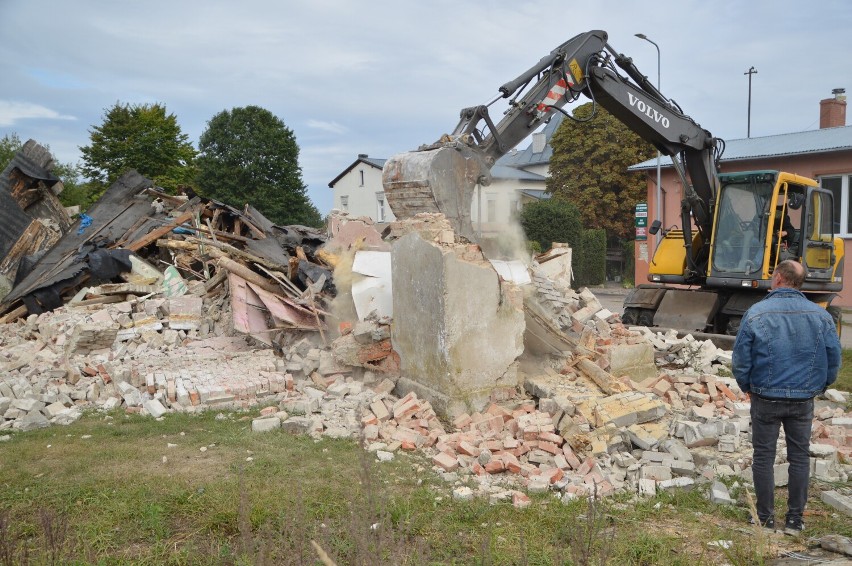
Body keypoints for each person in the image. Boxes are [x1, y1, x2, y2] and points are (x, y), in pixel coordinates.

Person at [732, 260, 841, 535]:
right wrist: (820, 385)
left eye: (772, 274)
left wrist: (747, 385)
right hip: (803, 398)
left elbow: (741, 360)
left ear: (779, 277)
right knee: (800, 457)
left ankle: (766, 519)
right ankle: (795, 520)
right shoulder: (820, 316)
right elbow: (834, 359)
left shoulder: (756, 313)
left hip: (765, 396)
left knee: (764, 457)